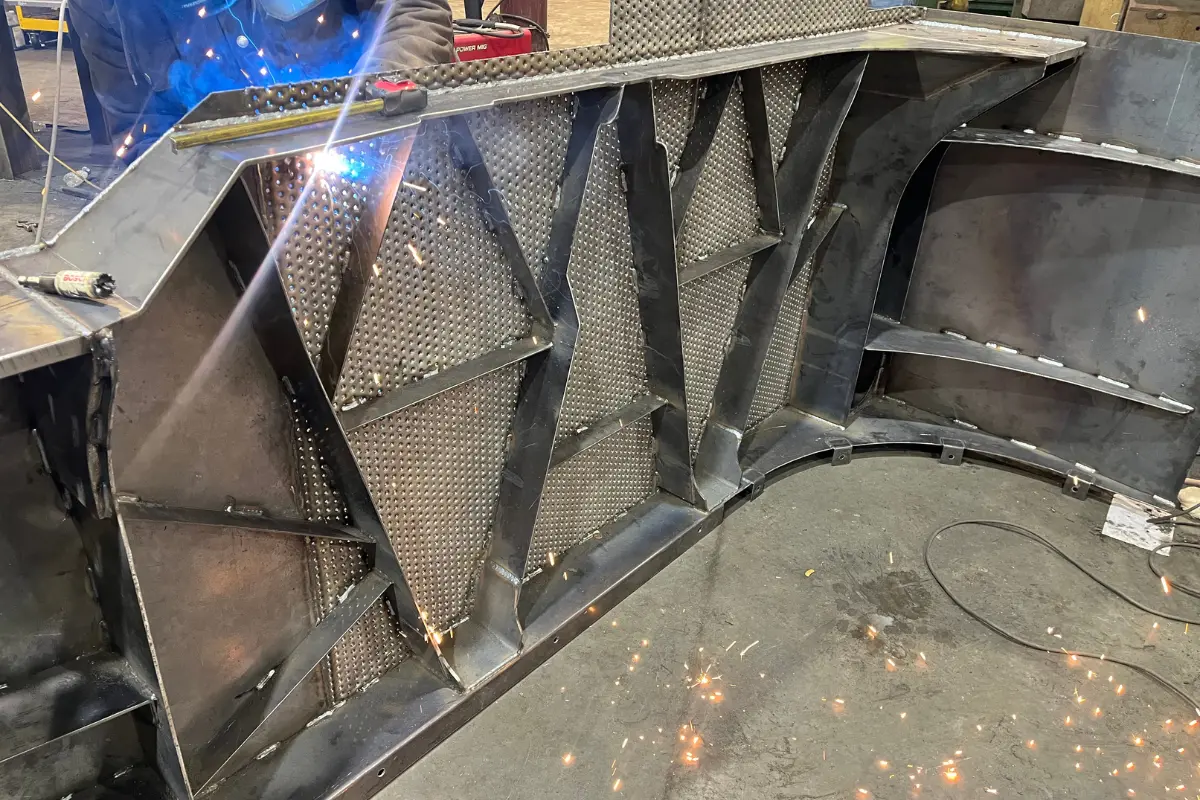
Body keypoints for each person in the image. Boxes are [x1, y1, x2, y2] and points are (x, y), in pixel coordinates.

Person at [68, 0, 454, 153]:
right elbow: (141, 134)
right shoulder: (101, 8)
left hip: (382, 152)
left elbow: (414, 12)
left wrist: (367, 107)